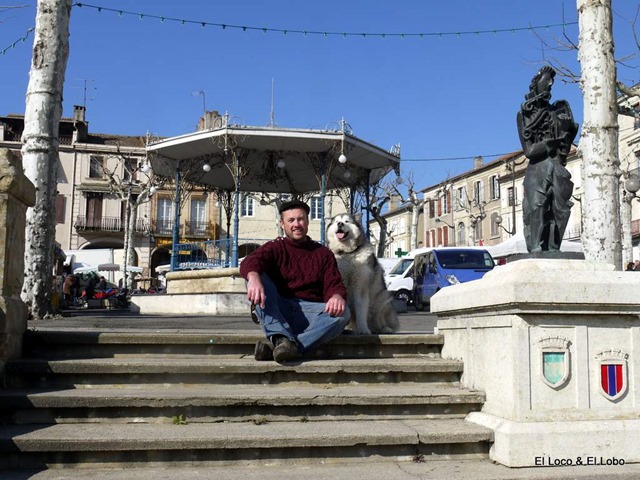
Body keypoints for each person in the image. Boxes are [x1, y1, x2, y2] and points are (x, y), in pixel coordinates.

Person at [239, 199, 350, 364]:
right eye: (291, 220)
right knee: (254, 275)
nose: (296, 224)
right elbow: (250, 261)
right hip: (278, 309)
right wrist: (253, 277)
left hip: (310, 313)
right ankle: (281, 337)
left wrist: (336, 296)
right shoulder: (275, 247)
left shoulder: (323, 253)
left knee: (344, 313)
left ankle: (285, 346)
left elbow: (334, 284)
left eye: (300, 219)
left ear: (307, 221)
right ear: (282, 224)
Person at [517, 65, 578, 253]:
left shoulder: (556, 112)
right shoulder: (525, 114)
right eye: (547, 81)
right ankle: (536, 247)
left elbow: (565, 147)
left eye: (552, 82)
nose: (550, 85)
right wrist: (551, 143)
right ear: (536, 84)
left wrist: (567, 131)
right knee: (538, 206)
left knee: (561, 210)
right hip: (538, 167)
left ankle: (553, 247)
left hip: (557, 166)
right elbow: (529, 151)